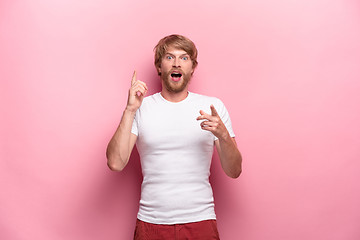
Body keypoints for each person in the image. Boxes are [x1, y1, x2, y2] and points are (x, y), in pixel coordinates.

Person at [106, 34, 242, 240]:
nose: (177, 63)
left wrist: (224, 136)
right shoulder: (141, 108)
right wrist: (129, 109)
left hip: (201, 220)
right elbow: (115, 162)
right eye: (169, 57)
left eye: (184, 58)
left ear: (192, 68)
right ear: (159, 67)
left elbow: (234, 171)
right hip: (151, 223)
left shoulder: (213, 107)